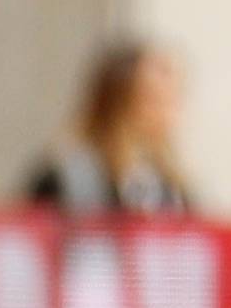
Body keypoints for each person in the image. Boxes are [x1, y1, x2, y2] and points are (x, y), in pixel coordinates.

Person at [24, 40, 192, 214]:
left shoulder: (168, 183)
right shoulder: (70, 176)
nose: (169, 112)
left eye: (173, 99)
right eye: (155, 100)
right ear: (118, 102)